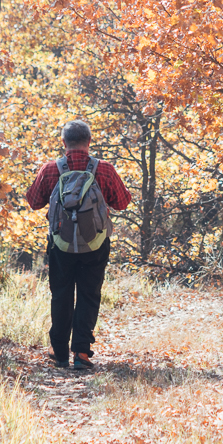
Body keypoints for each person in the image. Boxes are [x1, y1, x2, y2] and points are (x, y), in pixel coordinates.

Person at [25, 120, 131, 370]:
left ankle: (59, 353)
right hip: (95, 243)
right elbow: (123, 202)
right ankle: (82, 354)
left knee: (60, 294)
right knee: (89, 294)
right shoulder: (104, 169)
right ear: (90, 142)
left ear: (63, 143)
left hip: (60, 244)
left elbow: (33, 202)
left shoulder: (51, 169)